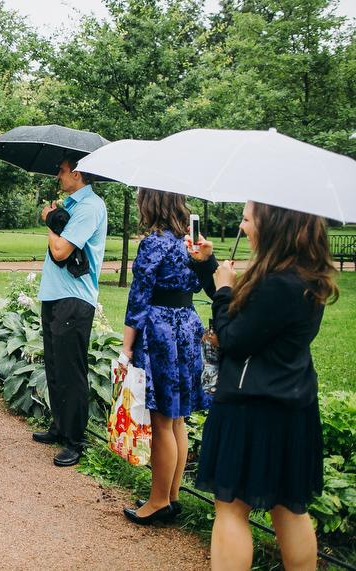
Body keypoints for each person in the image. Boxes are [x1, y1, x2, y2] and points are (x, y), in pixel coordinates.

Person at [193, 201, 336, 570]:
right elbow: (251, 318)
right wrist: (211, 268)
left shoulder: (277, 283)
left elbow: (234, 336)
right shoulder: (302, 275)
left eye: (247, 219)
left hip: (251, 408)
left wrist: (224, 291)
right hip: (292, 406)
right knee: (288, 508)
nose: (242, 227)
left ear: (274, 224)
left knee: (232, 509)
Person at [120, 189, 210, 525]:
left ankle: (158, 502)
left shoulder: (154, 242)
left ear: (151, 202)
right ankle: (171, 495)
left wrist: (127, 348)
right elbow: (199, 285)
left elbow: (139, 297)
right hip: (187, 325)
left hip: (160, 330)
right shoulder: (191, 239)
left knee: (161, 420)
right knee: (177, 419)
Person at [32, 154, 108, 467]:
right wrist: (54, 217)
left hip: (74, 299)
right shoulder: (72, 207)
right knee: (54, 364)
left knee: (71, 370)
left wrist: (49, 220)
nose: (58, 176)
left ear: (77, 173)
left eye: (61, 171)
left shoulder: (90, 207)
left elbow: (61, 250)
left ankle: (76, 439)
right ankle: (60, 426)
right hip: (55, 294)